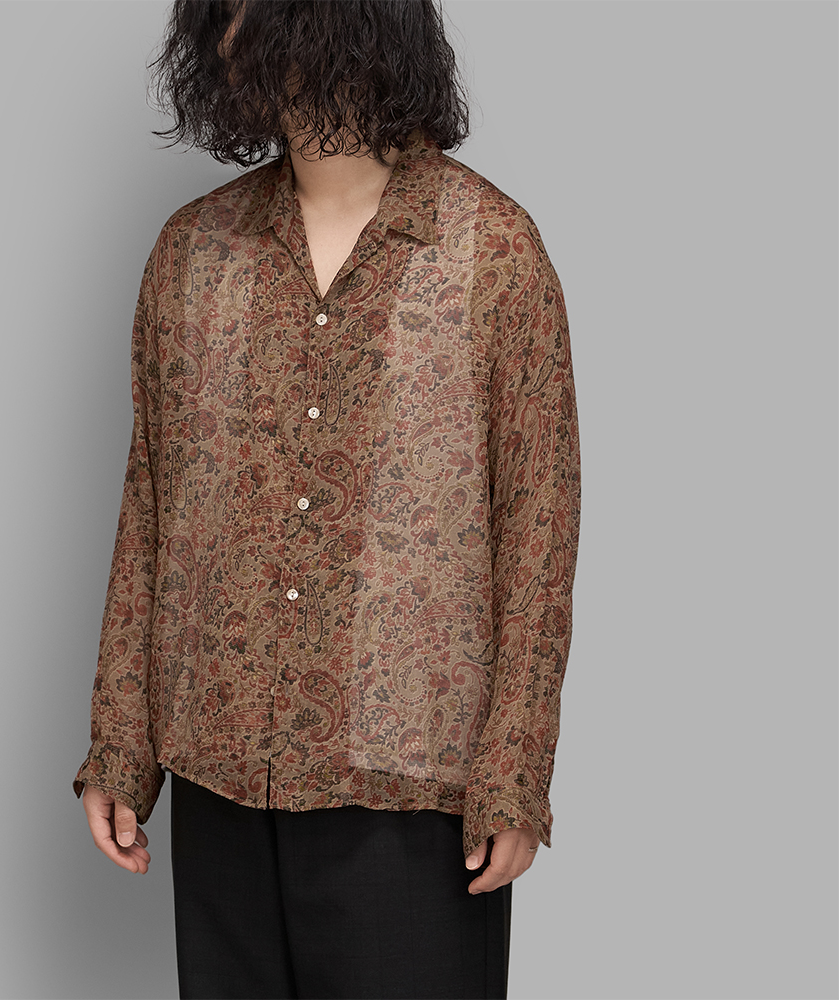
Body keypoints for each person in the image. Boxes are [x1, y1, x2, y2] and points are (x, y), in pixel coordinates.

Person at [74, 2, 581, 997]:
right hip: (220, 767)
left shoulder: (490, 251)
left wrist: (514, 772)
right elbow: (151, 509)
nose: (228, 34)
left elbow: (540, 526)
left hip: (409, 788)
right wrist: (121, 746)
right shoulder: (192, 253)